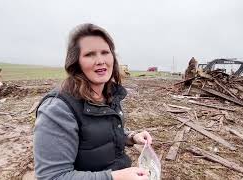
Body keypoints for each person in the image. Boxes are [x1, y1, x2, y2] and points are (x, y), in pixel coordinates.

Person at [33, 23, 153, 180]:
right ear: (76, 62)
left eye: (105, 52)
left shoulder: (109, 94)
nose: (100, 61)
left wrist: (131, 137)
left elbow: (100, 135)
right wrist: (115, 177)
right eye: (89, 54)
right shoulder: (57, 110)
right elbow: (52, 176)